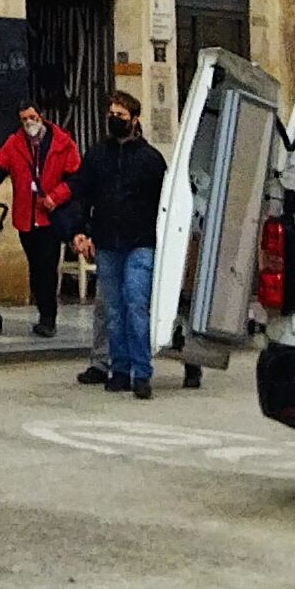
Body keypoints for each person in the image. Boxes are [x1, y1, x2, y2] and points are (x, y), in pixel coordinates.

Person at [77, 89, 168, 399]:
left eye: (121, 116)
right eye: (111, 114)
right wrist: (81, 231)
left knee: (135, 303)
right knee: (114, 309)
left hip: (141, 241)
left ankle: (142, 373)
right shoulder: (96, 156)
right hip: (107, 242)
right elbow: (83, 195)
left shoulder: (151, 160)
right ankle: (120, 369)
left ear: (135, 120)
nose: (114, 120)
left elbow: (164, 203)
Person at [0, 98, 81, 341]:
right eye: (24, 119)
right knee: (36, 269)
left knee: (46, 268)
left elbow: (76, 178)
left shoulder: (62, 143)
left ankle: (48, 318)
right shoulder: (14, 144)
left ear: (41, 117)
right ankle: (44, 313)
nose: (28, 123)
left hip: (51, 217)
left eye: (32, 118)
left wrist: (55, 198)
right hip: (26, 217)